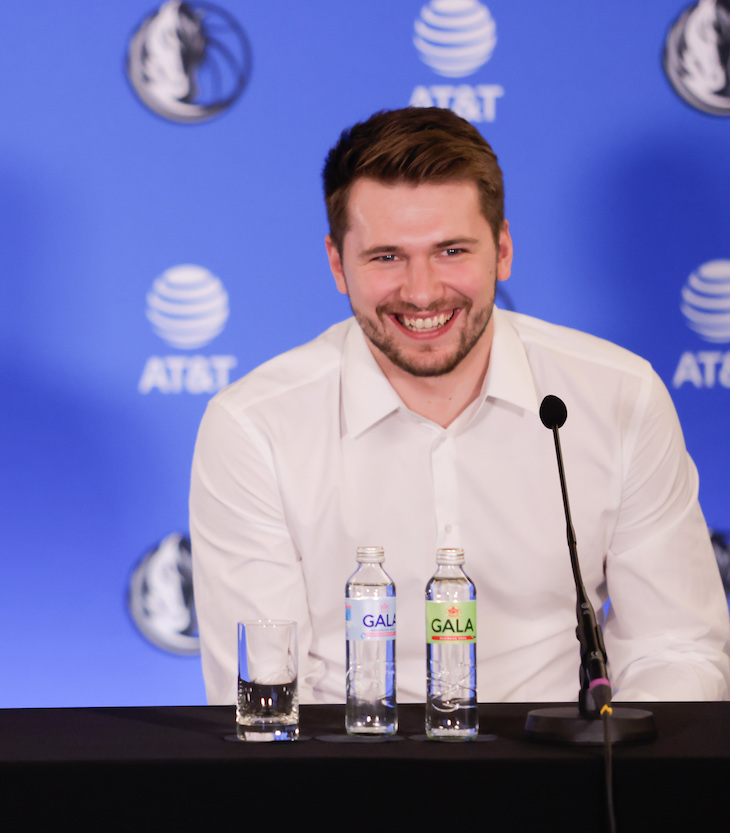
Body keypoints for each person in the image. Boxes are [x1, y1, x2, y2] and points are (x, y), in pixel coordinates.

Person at [190, 107, 730, 706]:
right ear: (338, 264)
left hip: (566, 778)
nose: (421, 292)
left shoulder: (619, 395)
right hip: (341, 780)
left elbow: (677, 648)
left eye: (451, 251)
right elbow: (267, 690)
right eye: (387, 256)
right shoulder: (254, 426)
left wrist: (615, 764)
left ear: (502, 251)